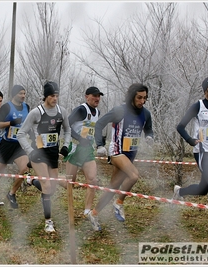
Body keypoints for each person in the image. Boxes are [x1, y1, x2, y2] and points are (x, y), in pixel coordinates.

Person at [93, 83, 153, 230]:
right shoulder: (120, 110)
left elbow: (149, 129)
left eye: (144, 98)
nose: (142, 101)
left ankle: (94, 214)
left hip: (130, 153)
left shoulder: (145, 113)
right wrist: (100, 145)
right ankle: (119, 203)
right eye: (139, 97)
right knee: (133, 175)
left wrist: (150, 137)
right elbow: (99, 124)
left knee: (113, 186)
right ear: (132, 96)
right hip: (117, 151)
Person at [174, 77, 208, 234]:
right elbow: (180, 126)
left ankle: (180, 192)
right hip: (201, 151)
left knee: (204, 189)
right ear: (206, 90)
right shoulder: (198, 106)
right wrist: (191, 140)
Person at [17, 81, 71, 232]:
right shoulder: (36, 112)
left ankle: (31, 179)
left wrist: (66, 146)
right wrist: (30, 151)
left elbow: (68, 130)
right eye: (52, 96)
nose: (55, 98)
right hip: (38, 153)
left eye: (57, 96)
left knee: (51, 188)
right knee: (47, 185)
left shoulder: (62, 112)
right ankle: (48, 221)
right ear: (46, 96)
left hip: (53, 153)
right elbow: (20, 134)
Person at [0, 85, 30, 212]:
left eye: (24, 93)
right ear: (14, 94)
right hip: (6, 145)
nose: (23, 96)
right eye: (20, 94)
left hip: (19, 145)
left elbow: (28, 124)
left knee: (24, 169)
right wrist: (11, 123)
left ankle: (11, 193)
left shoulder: (27, 107)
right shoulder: (6, 107)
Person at [63, 86, 104, 231]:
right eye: (94, 96)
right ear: (87, 97)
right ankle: (48, 180)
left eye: (99, 96)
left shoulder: (97, 112)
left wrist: (99, 143)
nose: (97, 99)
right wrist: (79, 138)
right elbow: (66, 125)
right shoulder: (81, 110)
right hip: (75, 148)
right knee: (70, 182)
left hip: (87, 150)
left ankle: (87, 211)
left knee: (93, 180)